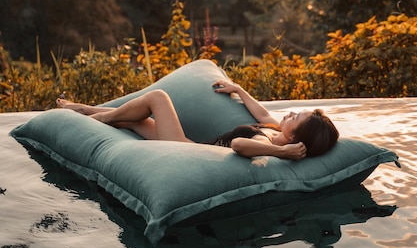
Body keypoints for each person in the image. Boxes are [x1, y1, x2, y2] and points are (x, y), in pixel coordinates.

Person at [56, 79, 339, 161]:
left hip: (185, 150)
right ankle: (89, 111)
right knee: (130, 121)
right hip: (191, 144)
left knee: (158, 98)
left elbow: (240, 144)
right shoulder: (274, 129)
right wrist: (239, 90)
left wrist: (282, 152)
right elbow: (263, 113)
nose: (288, 114)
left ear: (294, 138)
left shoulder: (266, 142)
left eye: (295, 117)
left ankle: (88, 113)